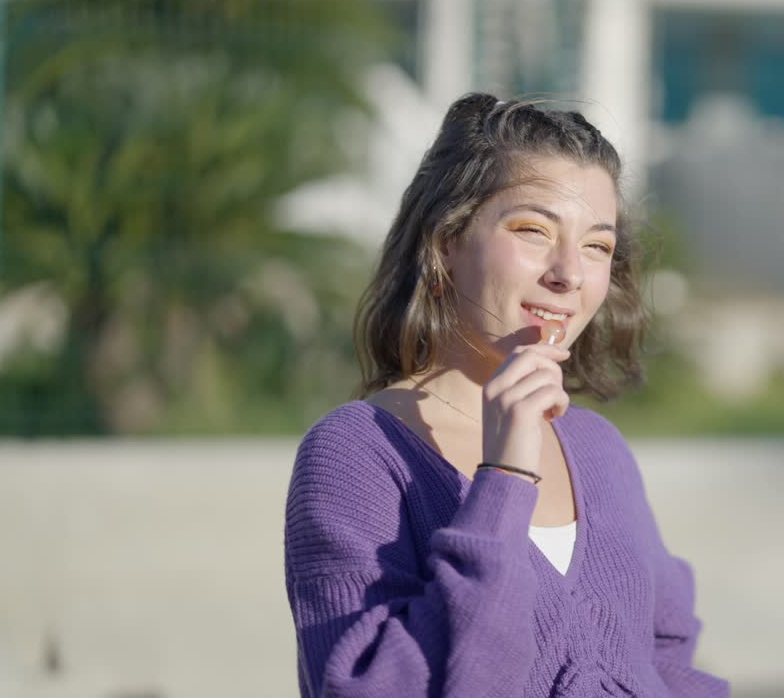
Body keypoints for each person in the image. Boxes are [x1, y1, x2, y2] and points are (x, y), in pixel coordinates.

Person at [283, 93, 730, 697]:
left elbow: (670, 652)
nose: (568, 273)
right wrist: (503, 478)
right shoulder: (355, 455)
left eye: (597, 246)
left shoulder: (599, 449)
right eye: (533, 231)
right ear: (446, 243)